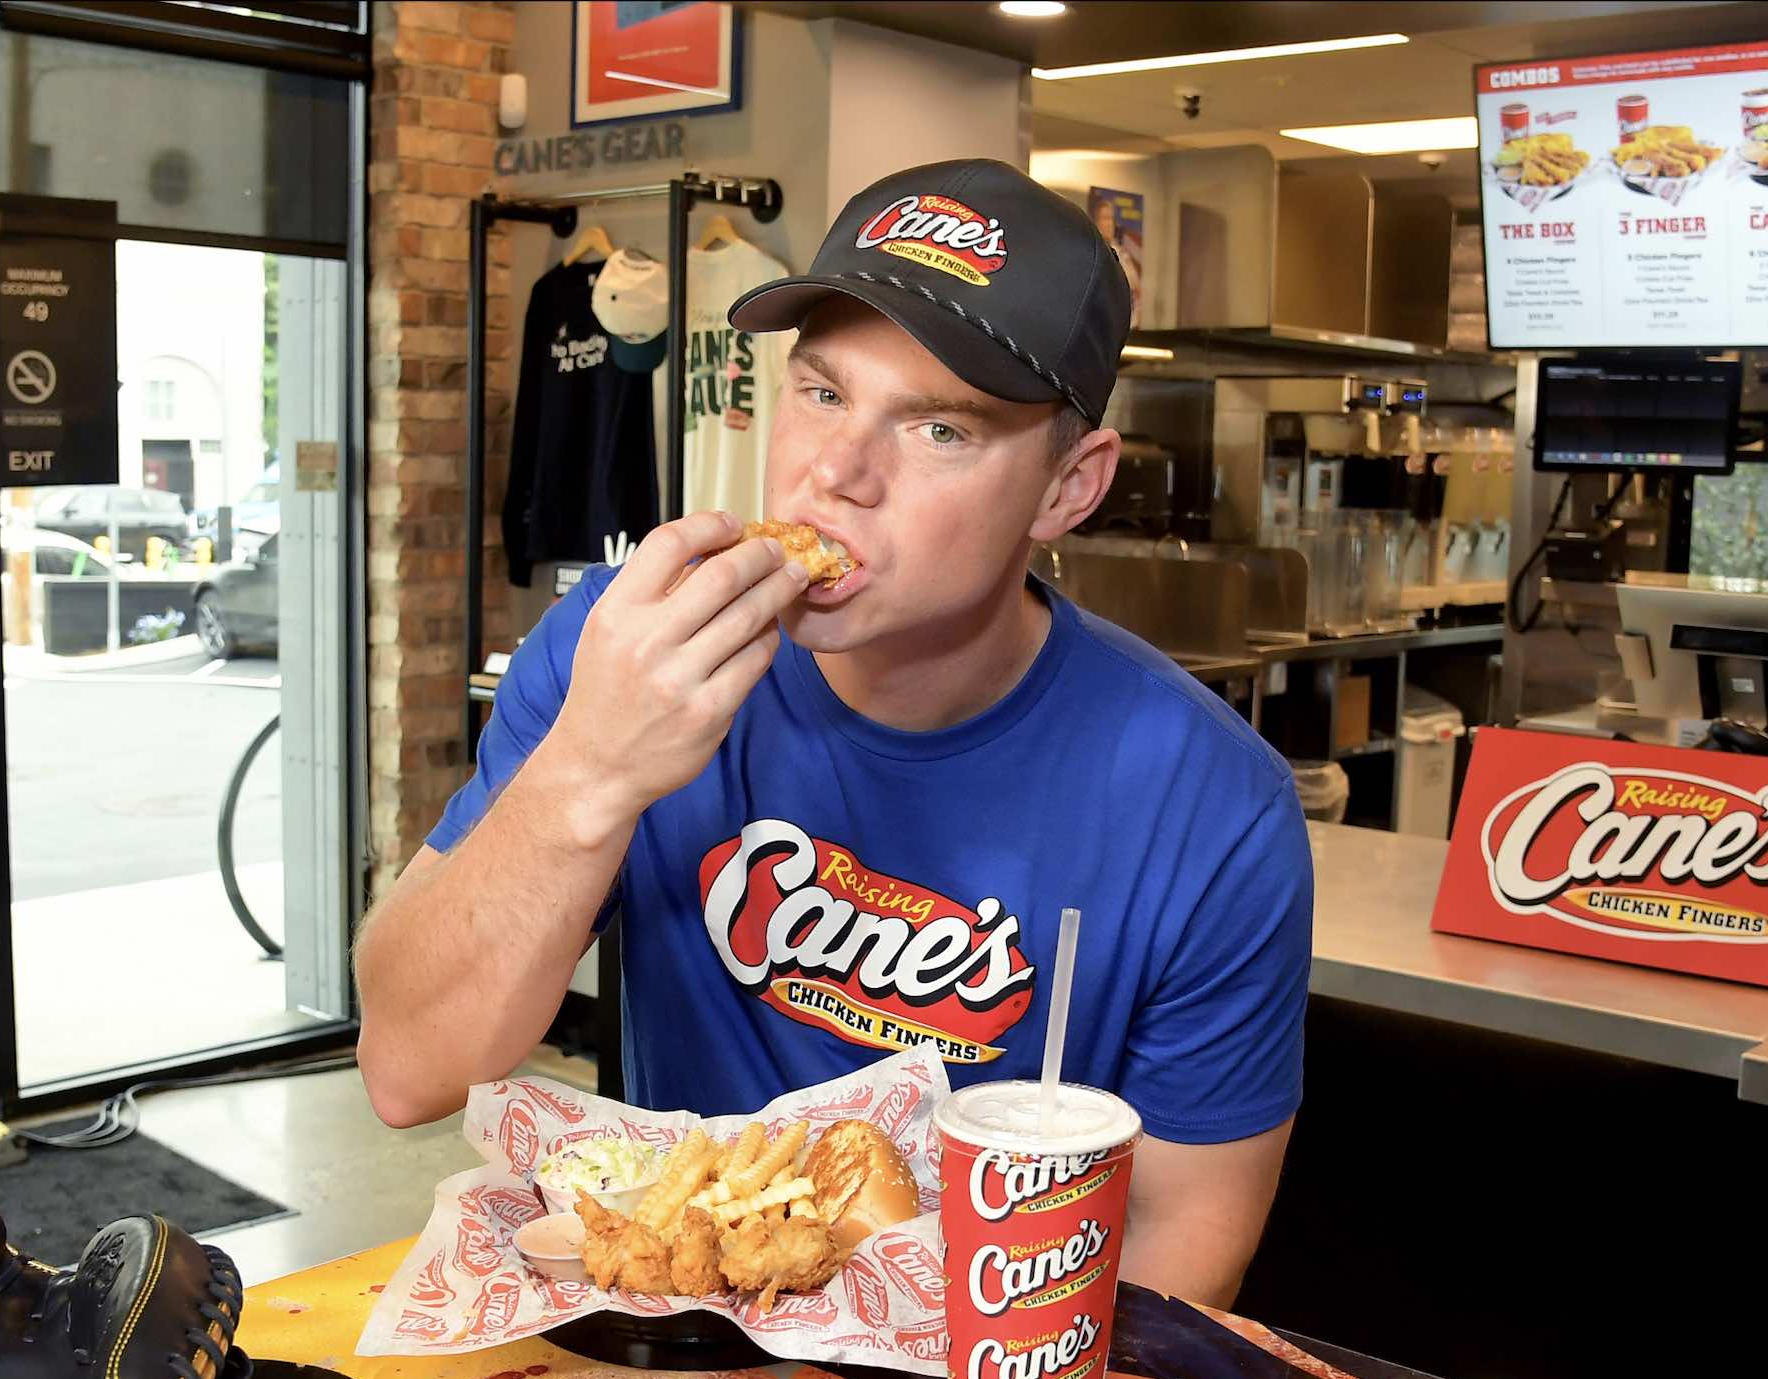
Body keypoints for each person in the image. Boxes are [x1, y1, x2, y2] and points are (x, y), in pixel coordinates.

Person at [355, 159, 1310, 1308]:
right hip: (670, 1367)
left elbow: (1185, 1228)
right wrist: (592, 771)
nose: (836, 476)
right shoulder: (621, 654)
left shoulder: (1211, 804)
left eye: (941, 431)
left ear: (1067, 488)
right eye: (821, 394)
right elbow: (407, 1067)